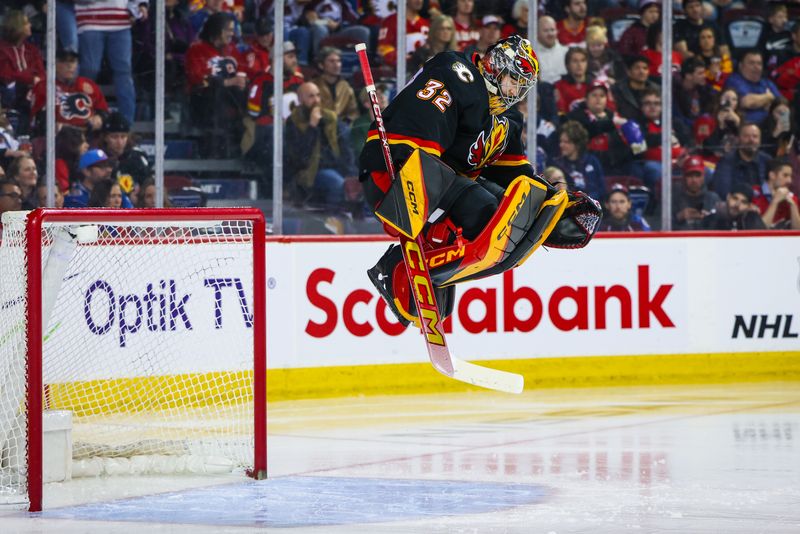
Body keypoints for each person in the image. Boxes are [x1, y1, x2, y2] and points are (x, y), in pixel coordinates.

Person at [360, 36, 601, 326]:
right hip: (397, 173)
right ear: (496, 66)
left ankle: (417, 270)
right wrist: (410, 172)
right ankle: (399, 266)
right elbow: (421, 117)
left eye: (522, 86)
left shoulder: (506, 118)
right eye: (514, 80)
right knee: (484, 210)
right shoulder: (458, 72)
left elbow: (513, 176)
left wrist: (550, 206)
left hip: (442, 183)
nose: (516, 91)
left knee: (502, 216)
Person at [284, 82, 357, 207]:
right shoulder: (294, 121)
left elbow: (346, 148)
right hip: (312, 171)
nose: (316, 100)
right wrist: (312, 126)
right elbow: (300, 156)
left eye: (318, 95)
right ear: (300, 100)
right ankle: (334, 222)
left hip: (339, 167)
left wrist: (351, 174)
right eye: (311, 96)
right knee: (336, 183)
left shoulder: (331, 118)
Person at [185, 12, 248, 157]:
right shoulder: (197, 49)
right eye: (228, 30)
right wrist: (225, 82)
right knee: (218, 95)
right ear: (217, 30)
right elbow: (196, 78)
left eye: (233, 30)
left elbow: (243, 71)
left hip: (229, 100)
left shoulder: (232, 50)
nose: (232, 33)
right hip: (202, 100)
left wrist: (242, 81)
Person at [74, 0, 148, 123]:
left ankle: (125, 125)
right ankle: (80, 117)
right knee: (90, 70)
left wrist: (141, 4)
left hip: (121, 23)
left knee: (124, 72)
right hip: (90, 20)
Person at [566, 80, 634, 176]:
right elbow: (588, 130)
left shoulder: (613, 116)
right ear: (586, 98)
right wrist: (612, 123)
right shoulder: (576, 115)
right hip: (586, 163)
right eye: (594, 95)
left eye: (602, 96)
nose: (598, 99)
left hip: (614, 164)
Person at [31, 48, 108, 132]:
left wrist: (99, 117)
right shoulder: (44, 86)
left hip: (88, 135)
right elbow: (38, 120)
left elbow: (104, 112)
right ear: (54, 64)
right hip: (58, 138)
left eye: (73, 61)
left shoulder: (89, 84)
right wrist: (54, 126)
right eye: (64, 61)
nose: (69, 66)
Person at [0, 10, 44, 135]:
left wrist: (33, 80)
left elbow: (41, 74)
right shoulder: (2, 49)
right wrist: (30, 78)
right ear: (17, 27)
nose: (30, 25)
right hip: (9, 92)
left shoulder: (32, 49)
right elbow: (6, 75)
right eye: (26, 23)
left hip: (30, 90)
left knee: (41, 90)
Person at [710, 122, 771, 198]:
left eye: (755, 136)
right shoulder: (726, 161)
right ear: (738, 139)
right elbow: (722, 192)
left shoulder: (767, 160)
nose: (751, 140)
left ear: (760, 140)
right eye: (746, 136)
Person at [550, 119, 606, 201]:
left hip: (591, 206)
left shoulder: (592, 161)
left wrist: (587, 199)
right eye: (561, 141)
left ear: (577, 144)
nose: (561, 145)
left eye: (566, 142)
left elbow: (601, 189)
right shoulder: (557, 164)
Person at [99, 112, 151, 197]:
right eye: (114, 137)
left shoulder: (137, 157)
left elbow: (148, 183)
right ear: (105, 137)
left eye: (123, 137)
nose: (119, 142)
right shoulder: (98, 158)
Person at [723, 49, 780, 126]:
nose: (756, 67)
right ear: (740, 65)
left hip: (769, 127)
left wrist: (765, 102)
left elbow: (781, 104)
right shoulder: (734, 81)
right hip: (743, 128)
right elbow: (747, 102)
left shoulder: (768, 83)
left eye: (759, 63)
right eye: (751, 63)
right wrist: (769, 97)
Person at [672, 155, 720, 230]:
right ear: (684, 177)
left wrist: (708, 219)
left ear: (704, 177)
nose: (694, 180)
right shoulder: (673, 199)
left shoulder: (713, 199)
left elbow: (722, 228)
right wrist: (679, 217)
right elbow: (658, 226)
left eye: (698, 176)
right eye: (690, 175)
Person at [377, 0, 430, 68]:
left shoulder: (426, 23)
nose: (419, 1)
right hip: (396, 70)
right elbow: (383, 48)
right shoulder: (391, 21)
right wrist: (406, 59)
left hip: (421, 70)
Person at [752, 159, 800, 230]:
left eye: (791, 176)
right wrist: (775, 202)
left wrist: (793, 205)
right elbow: (759, 232)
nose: (790, 181)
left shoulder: (792, 198)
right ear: (772, 175)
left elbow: (797, 234)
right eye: (785, 175)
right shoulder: (754, 194)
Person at [611, 54, 658, 126]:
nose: (642, 71)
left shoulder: (657, 90)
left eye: (645, 68)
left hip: (652, 129)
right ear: (629, 72)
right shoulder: (617, 90)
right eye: (637, 68)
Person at [554, 46, 591, 115]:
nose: (579, 65)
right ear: (567, 65)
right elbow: (561, 111)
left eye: (583, 60)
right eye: (575, 61)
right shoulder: (559, 86)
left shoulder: (595, 85)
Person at [535, 16, 568, 85]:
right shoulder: (530, 55)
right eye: (546, 30)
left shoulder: (566, 52)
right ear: (537, 33)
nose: (550, 34)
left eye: (552, 30)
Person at [54, 125, 88, 193]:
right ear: (71, 144)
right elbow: (65, 192)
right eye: (82, 142)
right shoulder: (59, 164)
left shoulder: (77, 162)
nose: (87, 145)